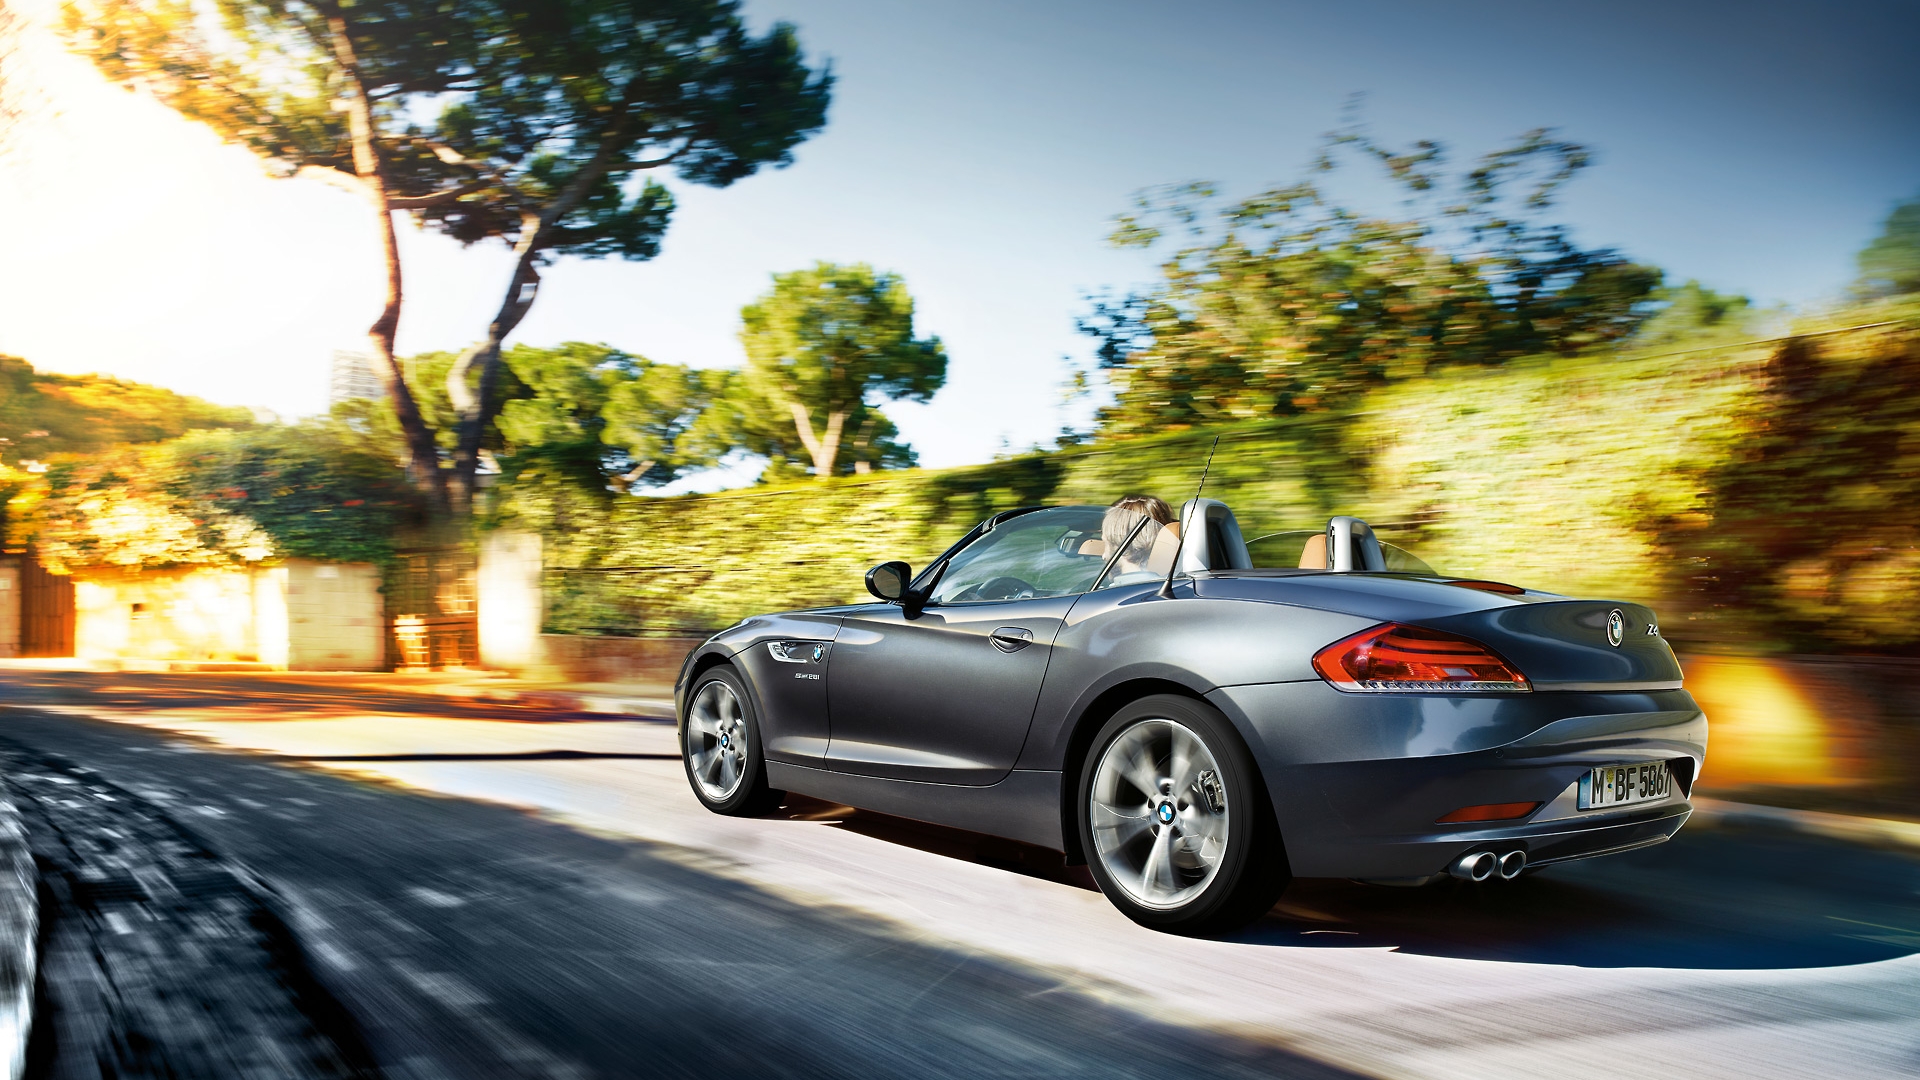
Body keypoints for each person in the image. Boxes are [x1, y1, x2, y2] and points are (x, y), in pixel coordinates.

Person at [1101, 494, 1178, 575]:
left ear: (1118, 543)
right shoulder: (1177, 576)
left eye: (1107, 543)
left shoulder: (1125, 583)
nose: (1104, 556)